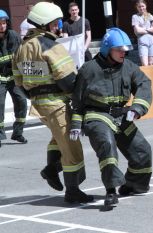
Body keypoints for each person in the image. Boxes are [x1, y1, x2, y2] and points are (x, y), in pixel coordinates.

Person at [12, 2, 93, 204]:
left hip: (39, 105)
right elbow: (67, 79)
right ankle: (72, 189)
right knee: (71, 145)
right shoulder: (49, 45)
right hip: (57, 103)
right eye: (55, 22)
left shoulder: (22, 47)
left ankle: (51, 170)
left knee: (58, 138)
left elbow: (19, 81)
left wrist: (36, 95)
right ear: (45, 24)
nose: (58, 26)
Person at [70, 28, 153, 207]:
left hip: (120, 116)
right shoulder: (88, 69)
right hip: (96, 115)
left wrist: (137, 107)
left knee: (142, 150)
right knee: (107, 145)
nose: (125, 53)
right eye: (119, 50)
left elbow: (144, 83)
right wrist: (76, 124)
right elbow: (77, 101)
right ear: (108, 49)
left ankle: (133, 184)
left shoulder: (128, 66)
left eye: (125, 50)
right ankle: (110, 191)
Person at [0, 9, 28, 148]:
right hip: (0, 79)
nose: (2, 25)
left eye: (4, 22)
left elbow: (21, 54)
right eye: (0, 23)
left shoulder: (13, 36)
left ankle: (17, 132)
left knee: (22, 102)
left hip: (14, 77)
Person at [132, 0, 153, 66]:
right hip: (142, 41)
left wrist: (143, 29)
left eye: (143, 6)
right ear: (137, 7)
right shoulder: (135, 17)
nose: (141, 8)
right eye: (139, 6)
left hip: (151, 41)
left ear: (146, 6)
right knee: (145, 64)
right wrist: (148, 29)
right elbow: (137, 30)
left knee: (151, 63)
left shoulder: (150, 16)